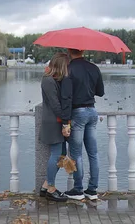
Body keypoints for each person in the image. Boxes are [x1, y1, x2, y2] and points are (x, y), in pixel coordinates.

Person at [64, 48, 104, 201]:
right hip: (92, 112)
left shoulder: (69, 70)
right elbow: (100, 92)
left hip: (77, 113)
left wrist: (65, 122)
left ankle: (78, 189)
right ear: (83, 50)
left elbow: (67, 98)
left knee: (76, 154)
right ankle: (92, 190)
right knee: (93, 153)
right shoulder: (94, 68)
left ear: (69, 51)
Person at [38, 52, 73, 202]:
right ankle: (51, 188)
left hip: (56, 121)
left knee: (62, 153)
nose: (68, 69)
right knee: (57, 154)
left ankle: (46, 186)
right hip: (53, 122)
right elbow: (55, 104)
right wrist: (66, 121)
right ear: (61, 65)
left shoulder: (53, 79)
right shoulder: (48, 81)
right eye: (67, 66)